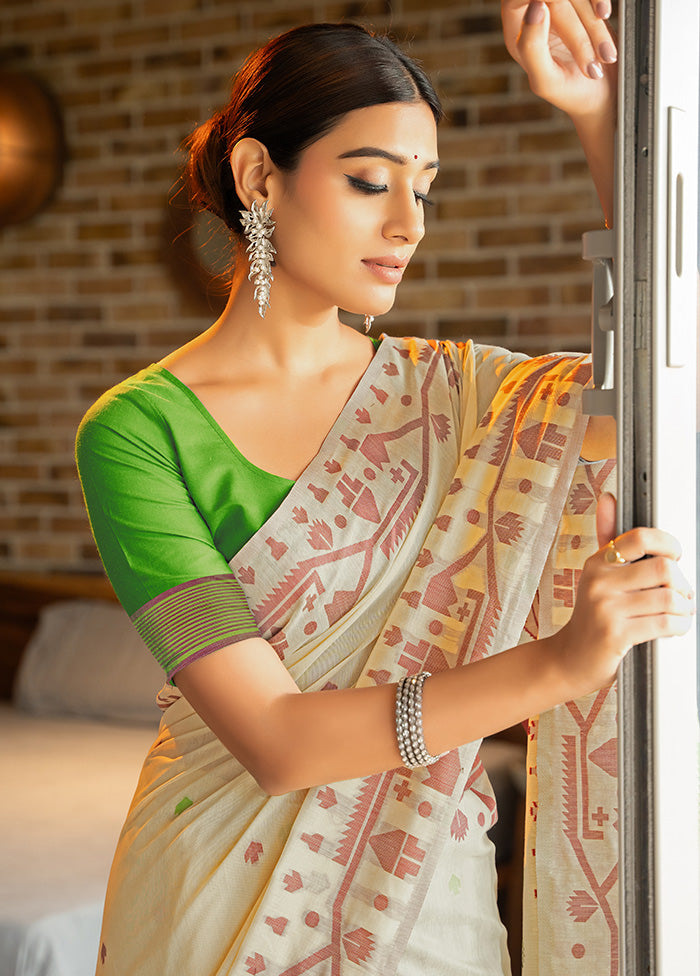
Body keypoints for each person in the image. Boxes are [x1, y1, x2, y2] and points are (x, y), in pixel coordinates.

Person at [75, 3, 694, 974]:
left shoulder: (458, 399)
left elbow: (655, 386)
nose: (408, 225)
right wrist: (556, 666)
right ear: (257, 177)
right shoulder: (138, 431)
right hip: (207, 908)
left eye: (426, 191)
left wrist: (594, 114)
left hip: (427, 896)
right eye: (370, 183)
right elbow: (274, 742)